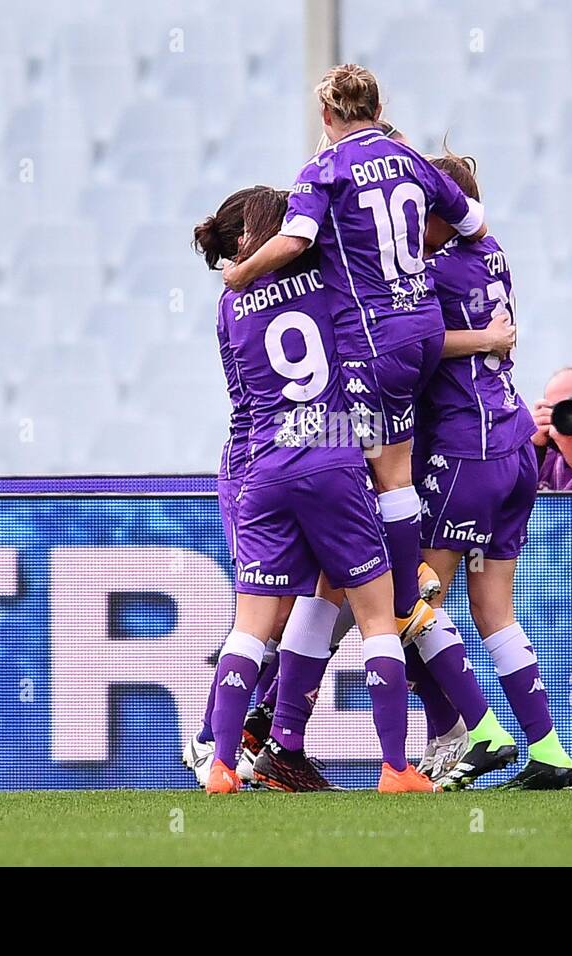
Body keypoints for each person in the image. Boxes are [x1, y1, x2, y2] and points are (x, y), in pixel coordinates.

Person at [223, 63, 489, 651]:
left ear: (326, 115)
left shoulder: (323, 169)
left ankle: (399, 598)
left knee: (382, 475)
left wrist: (241, 272)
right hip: (425, 326)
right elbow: (474, 222)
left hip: (376, 341)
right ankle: (398, 589)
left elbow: (294, 241)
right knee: (391, 467)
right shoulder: (414, 161)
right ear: (376, 105)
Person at [205, 187, 434, 794]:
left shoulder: (228, 308)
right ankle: (395, 768)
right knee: (378, 617)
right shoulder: (329, 277)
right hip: (331, 457)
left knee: (250, 626)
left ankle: (222, 765)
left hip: (264, 467)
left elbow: (242, 400)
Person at [411, 153, 572, 790]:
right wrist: (491, 339)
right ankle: (550, 752)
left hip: (466, 451)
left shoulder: (430, 272)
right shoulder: (493, 252)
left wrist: (478, 340)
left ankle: (478, 732)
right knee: (493, 608)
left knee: (412, 598)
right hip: (513, 451)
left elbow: (413, 342)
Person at [183, 186, 296, 788]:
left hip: (261, 462)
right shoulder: (261, 296)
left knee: (287, 616)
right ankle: (212, 739)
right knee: (270, 618)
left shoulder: (242, 298)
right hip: (261, 464)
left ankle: (244, 733)